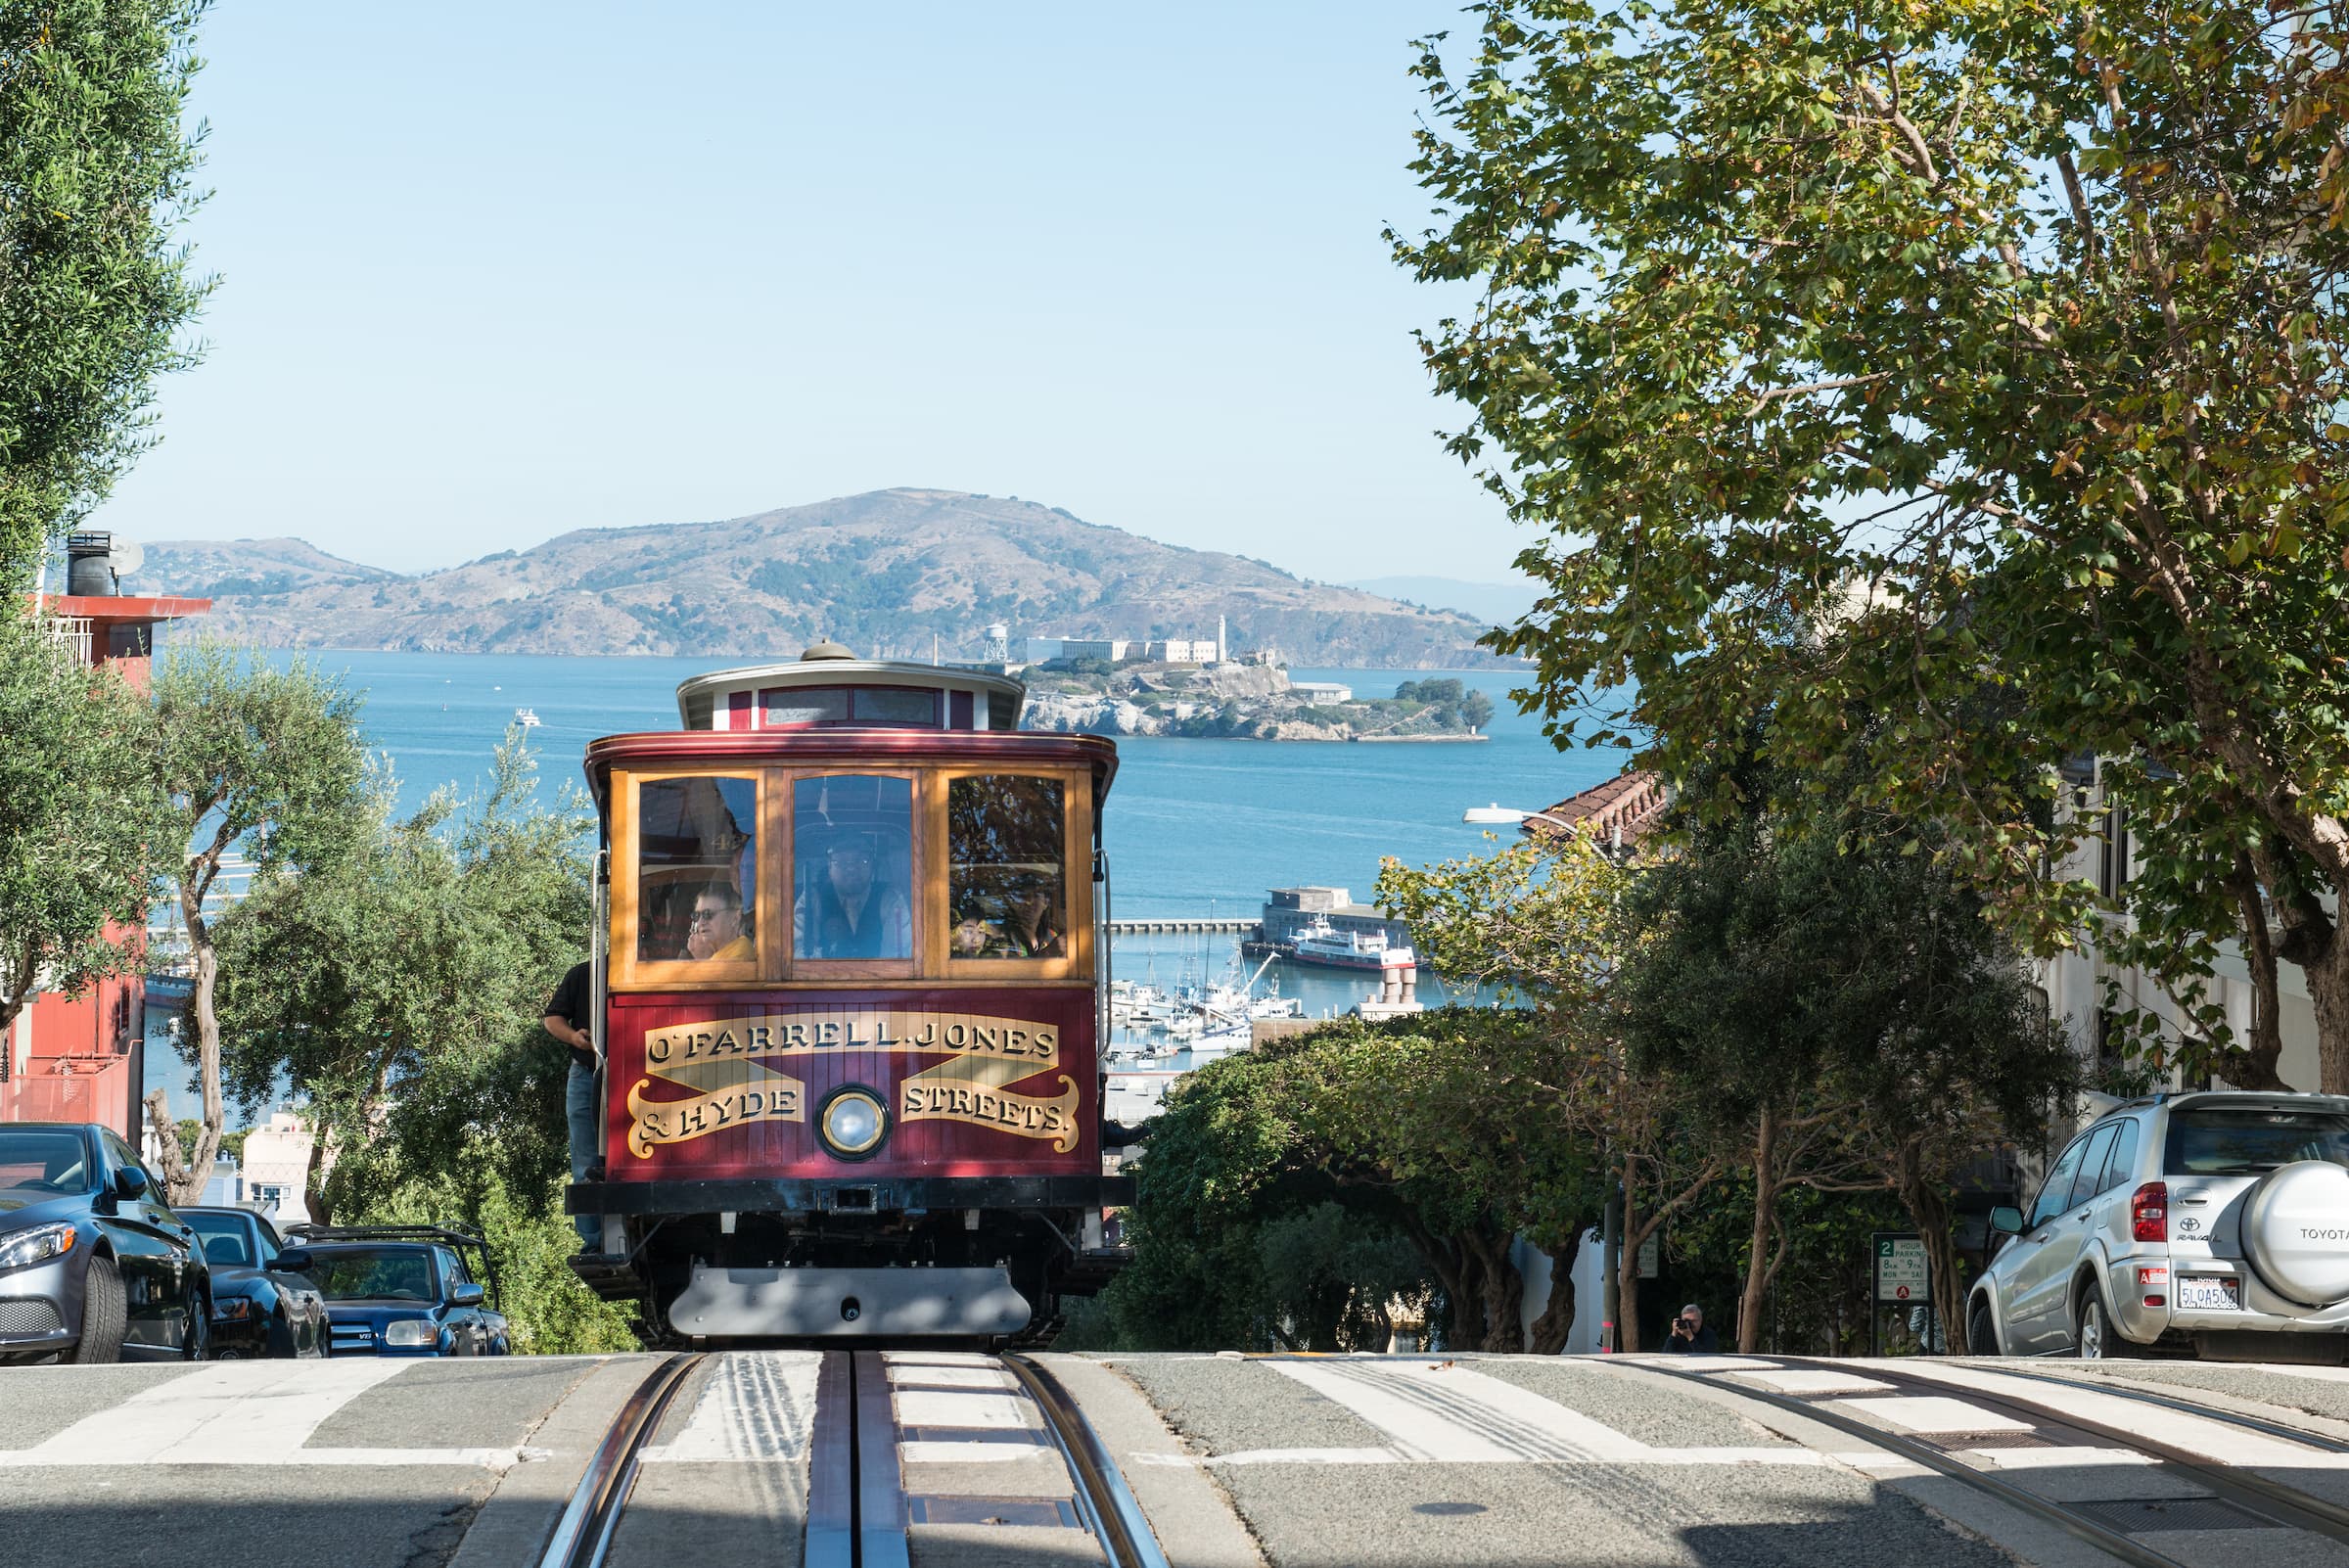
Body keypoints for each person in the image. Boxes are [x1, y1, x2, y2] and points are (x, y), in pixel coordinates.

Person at [541, 960, 600, 1249]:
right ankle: (593, 1241)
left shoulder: (658, 971)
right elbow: (552, 1020)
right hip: (586, 1073)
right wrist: (574, 1037)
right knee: (585, 1160)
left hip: (639, 1074)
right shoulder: (583, 974)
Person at [795, 840, 911, 958]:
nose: (851, 868)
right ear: (829, 868)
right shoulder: (812, 898)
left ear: (873, 866)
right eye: (840, 862)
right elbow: (800, 955)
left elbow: (897, 956)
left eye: (862, 860)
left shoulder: (891, 899)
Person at [684, 881, 756, 961]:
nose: (700, 923)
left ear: (735, 918)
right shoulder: (721, 954)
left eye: (708, 914)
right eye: (696, 916)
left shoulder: (740, 956)